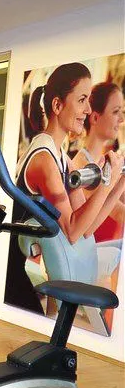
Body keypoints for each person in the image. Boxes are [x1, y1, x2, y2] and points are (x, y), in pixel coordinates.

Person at [5, 63, 125, 328]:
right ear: (58, 105)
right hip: (15, 281)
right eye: (82, 100)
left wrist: (118, 182)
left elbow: (86, 228)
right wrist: (106, 182)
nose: (88, 110)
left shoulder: (61, 157)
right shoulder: (44, 159)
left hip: (29, 273)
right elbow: (72, 230)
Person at [71, 82, 125, 323]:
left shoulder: (104, 162)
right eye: (116, 112)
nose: (121, 120)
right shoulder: (82, 167)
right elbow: (117, 214)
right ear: (94, 117)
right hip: (82, 259)